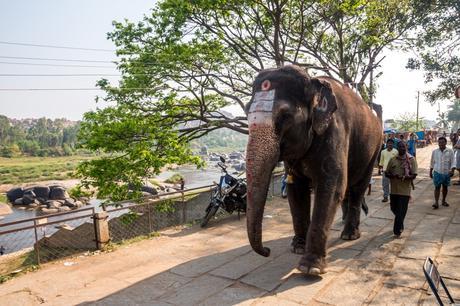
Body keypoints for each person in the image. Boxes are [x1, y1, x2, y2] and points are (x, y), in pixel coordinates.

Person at [385, 141, 417, 238]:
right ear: (397, 148)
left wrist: (404, 177)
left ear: (406, 147)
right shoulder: (393, 159)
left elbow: (414, 175)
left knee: (400, 211)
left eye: (404, 147)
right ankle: (400, 223)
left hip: (405, 191)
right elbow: (386, 173)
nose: (402, 148)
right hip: (394, 189)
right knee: (393, 208)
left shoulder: (411, 160)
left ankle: (397, 230)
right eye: (400, 147)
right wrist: (393, 175)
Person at [430, 137, 456, 209]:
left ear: (445, 143)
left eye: (442, 142)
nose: (441, 144)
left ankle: (443, 201)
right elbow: (432, 162)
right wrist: (430, 171)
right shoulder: (435, 151)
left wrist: (452, 170)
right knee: (437, 187)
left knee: (445, 187)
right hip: (437, 172)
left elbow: (453, 161)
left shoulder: (450, 151)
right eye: (439, 142)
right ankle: (436, 202)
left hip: (446, 173)